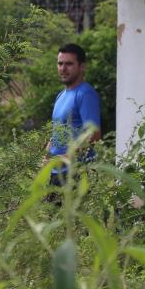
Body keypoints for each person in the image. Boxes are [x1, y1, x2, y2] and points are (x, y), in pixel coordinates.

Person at [44, 43, 102, 187]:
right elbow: (59, 130)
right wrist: (47, 154)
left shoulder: (85, 94)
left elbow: (94, 135)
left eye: (69, 64)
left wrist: (64, 158)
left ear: (82, 66)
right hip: (56, 174)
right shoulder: (61, 95)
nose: (63, 68)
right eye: (60, 63)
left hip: (77, 173)